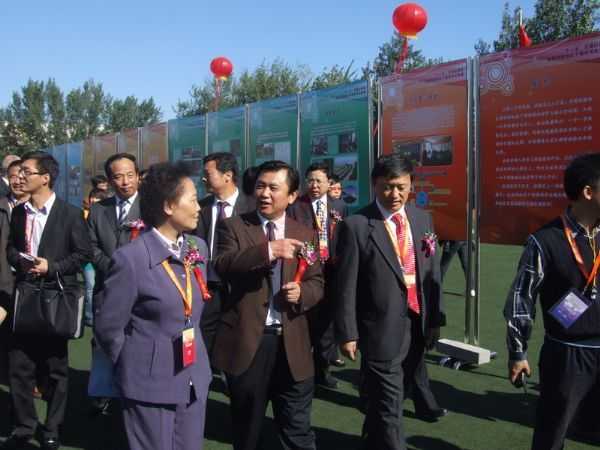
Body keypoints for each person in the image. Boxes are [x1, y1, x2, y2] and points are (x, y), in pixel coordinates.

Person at [94, 162, 212, 450]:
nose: (199, 207)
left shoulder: (197, 247)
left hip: (193, 376)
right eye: (192, 199)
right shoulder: (131, 258)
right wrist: (135, 362)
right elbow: (109, 326)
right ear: (169, 206)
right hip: (148, 384)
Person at [334, 155, 444, 450]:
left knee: (393, 393)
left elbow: (432, 272)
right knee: (390, 400)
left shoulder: (422, 219)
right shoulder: (356, 225)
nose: (394, 194)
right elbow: (345, 285)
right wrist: (347, 332)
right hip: (379, 327)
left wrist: (435, 318)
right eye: (387, 187)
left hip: (417, 322)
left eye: (401, 187)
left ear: (411, 185)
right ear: (374, 185)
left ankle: (373, 438)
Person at [213, 160, 324, 450]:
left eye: (274, 188)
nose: (264, 193)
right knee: (248, 431)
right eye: (261, 186)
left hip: (293, 344)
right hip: (250, 343)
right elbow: (223, 264)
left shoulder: (305, 233)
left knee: (297, 429)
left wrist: (303, 293)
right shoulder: (234, 226)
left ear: (292, 195)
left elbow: (317, 282)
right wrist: (269, 251)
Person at [504, 153, 600, 450]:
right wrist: (517, 352)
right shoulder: (545, 241)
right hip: (567, 354)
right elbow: (521, 298)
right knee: (553, 433)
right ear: (588, 192)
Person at [3, 151, 92, 450]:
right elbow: (11, 248)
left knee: (55, 369)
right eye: (19, 172)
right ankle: (23, 427)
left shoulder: (70, 214)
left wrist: (51, 267)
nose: (20, 176)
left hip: (56, 298)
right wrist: (20, 260)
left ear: (45, 177)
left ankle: (52, 428)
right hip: (24, 297)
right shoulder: (19, 212)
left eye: (27, 171)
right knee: (19, 366)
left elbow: (83, 254)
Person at [86, 153, 142, 414]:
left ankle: (136, 393)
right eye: (118, 176)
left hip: (142, 291)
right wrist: (113, 268)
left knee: (139, 344)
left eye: (130, 175)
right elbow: (90, 247)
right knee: (104, 343)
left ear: (138, 176)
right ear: (109, 181)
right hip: (107, 288)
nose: (126, 181)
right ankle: (103, 394)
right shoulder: (99, 210)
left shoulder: (152, 207)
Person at [288, 160, 348, 389]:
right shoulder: (296, 207)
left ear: (329, 183)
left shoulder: (339, 206)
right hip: (304, 272)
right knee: (303, 323)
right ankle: (301, 371)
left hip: (331, 272)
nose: (314, 185)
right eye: (310, 180)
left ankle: (322, 370)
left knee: (326, 326)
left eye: (319, 181)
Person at [195, 152, 254, 360]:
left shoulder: (251, 207)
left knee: (237, 337)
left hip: (240, 285)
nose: (203, 179)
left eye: (208, 174)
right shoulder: (200, 207)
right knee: (204, 335)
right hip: (207, 285)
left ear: (227, 175)